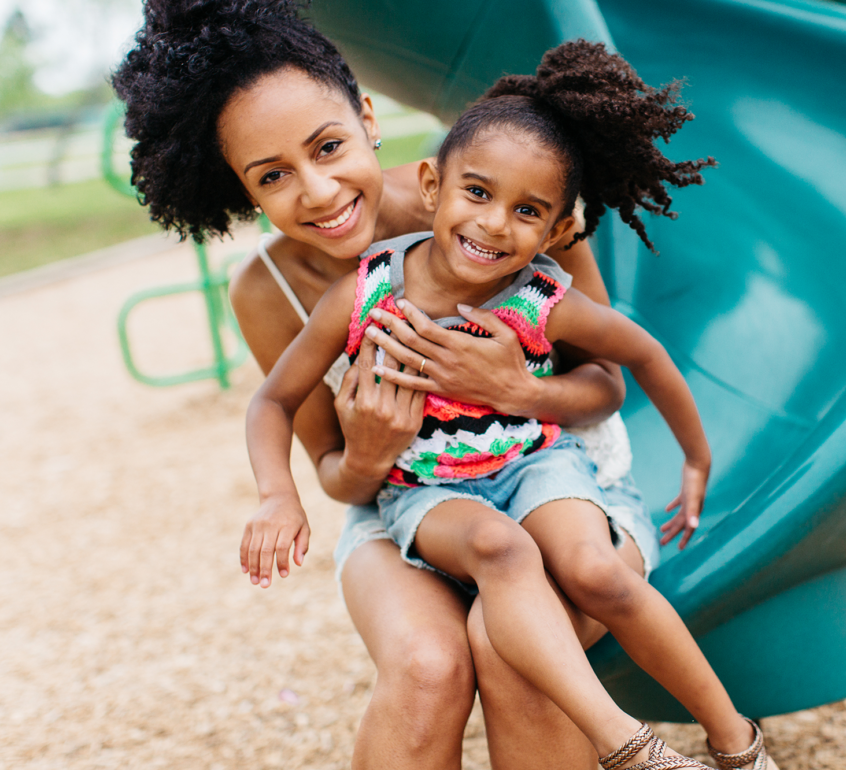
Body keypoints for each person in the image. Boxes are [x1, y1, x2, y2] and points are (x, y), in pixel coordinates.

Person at [113, 2, 775, 769]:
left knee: (512, 650)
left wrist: (521, 392)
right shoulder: (274, 294)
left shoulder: (505, 185)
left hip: (555, 469)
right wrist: (365, 452)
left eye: (328, 146)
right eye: (273, 176)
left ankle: (668, 747)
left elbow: (609, 384)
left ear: (365, 116)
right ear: (240, 187)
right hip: (411, 498)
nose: (321, 191)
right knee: (429, 669)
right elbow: (336, 474)